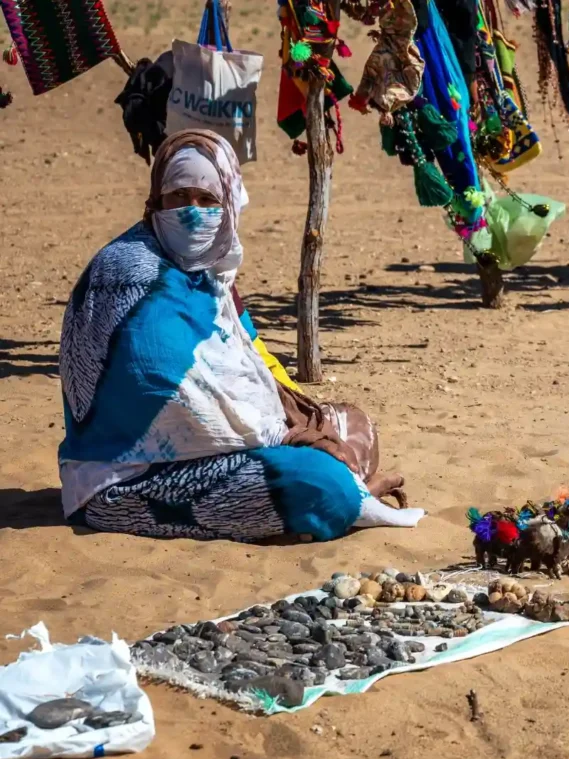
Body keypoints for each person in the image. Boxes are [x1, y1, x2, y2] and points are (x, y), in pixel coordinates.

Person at [59, 128, 424, 542]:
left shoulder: (213, 272)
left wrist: (301, 421)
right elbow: (176, 398)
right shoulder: (130, 274)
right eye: (178, 198)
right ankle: (350, 496)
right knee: (320, 481)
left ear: (229, 205)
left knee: (350, 423)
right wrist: (284, 436)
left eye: (207, 200)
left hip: (227, 443)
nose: (192, 213)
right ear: (156, 201)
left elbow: (253, 356)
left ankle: (339, 492)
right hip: (131, 474)